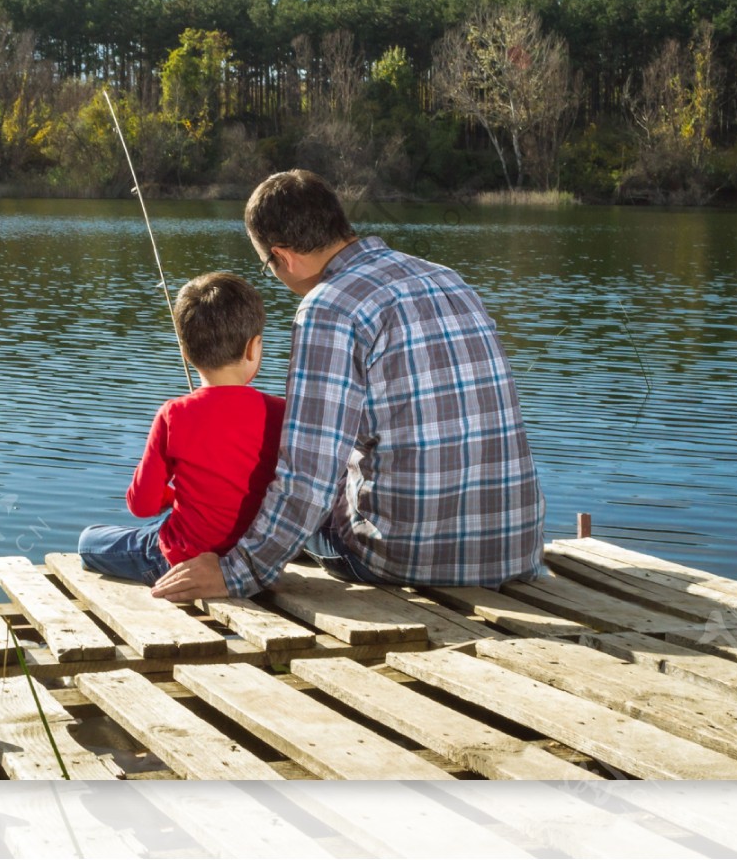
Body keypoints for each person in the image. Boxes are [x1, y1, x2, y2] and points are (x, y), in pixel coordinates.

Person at [151, 169, 545, 601]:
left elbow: (307, 476)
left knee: (249, 510)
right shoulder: (448, 278)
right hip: (514, 549)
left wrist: (237, 572)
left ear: (284, 257)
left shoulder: (328, 307)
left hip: (403, 558)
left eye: (269, 267)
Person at [77, 272, 286, 585]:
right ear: (254, 348)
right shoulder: (282, 412)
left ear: (186, 353)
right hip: (253, 559)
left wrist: (171, 495)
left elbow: (142, 504)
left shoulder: (174, 414)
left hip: (179, 561)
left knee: (89, 541)